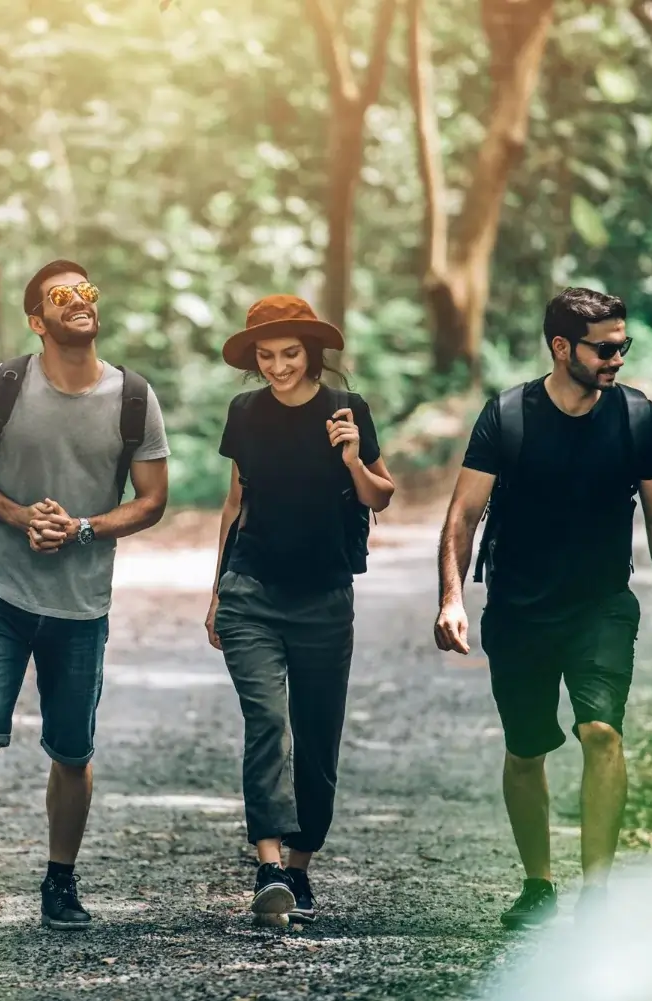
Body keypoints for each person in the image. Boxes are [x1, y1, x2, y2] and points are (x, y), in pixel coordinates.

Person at [433, 286, 652, 928]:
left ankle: (597, 893)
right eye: (604, 349)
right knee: (527, 749)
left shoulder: (636, 417)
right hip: (518, 609)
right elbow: (464, 514)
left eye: (623, 347)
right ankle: (539, 885)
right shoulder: (508, 416)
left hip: (601, 605)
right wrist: (452, 598)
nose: (617, 359)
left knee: (601, 731)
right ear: (561, 347)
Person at [0, 259, 171, 936]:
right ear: (38, 320)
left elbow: (153, 499)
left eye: (86, 290)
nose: (78, 300)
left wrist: (83, 527)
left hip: (81, 605)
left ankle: (60, 881)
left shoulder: (133, 397)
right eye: (60, 296)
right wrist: (19, 516)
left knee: (72, 752)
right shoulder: (4, 385)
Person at [206, 295, 395, 924]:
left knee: (317, 738)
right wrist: (216, 592)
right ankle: (268, 867)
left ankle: (299, 870)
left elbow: (381, 495)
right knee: (266, 722)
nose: (278, 366)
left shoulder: (346, 409)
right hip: (251, 591)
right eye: (266, 356)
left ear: (311, 353)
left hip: (324, 598)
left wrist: (351, 457)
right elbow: (236, 503)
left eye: (289, 353)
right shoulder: (245, 412)